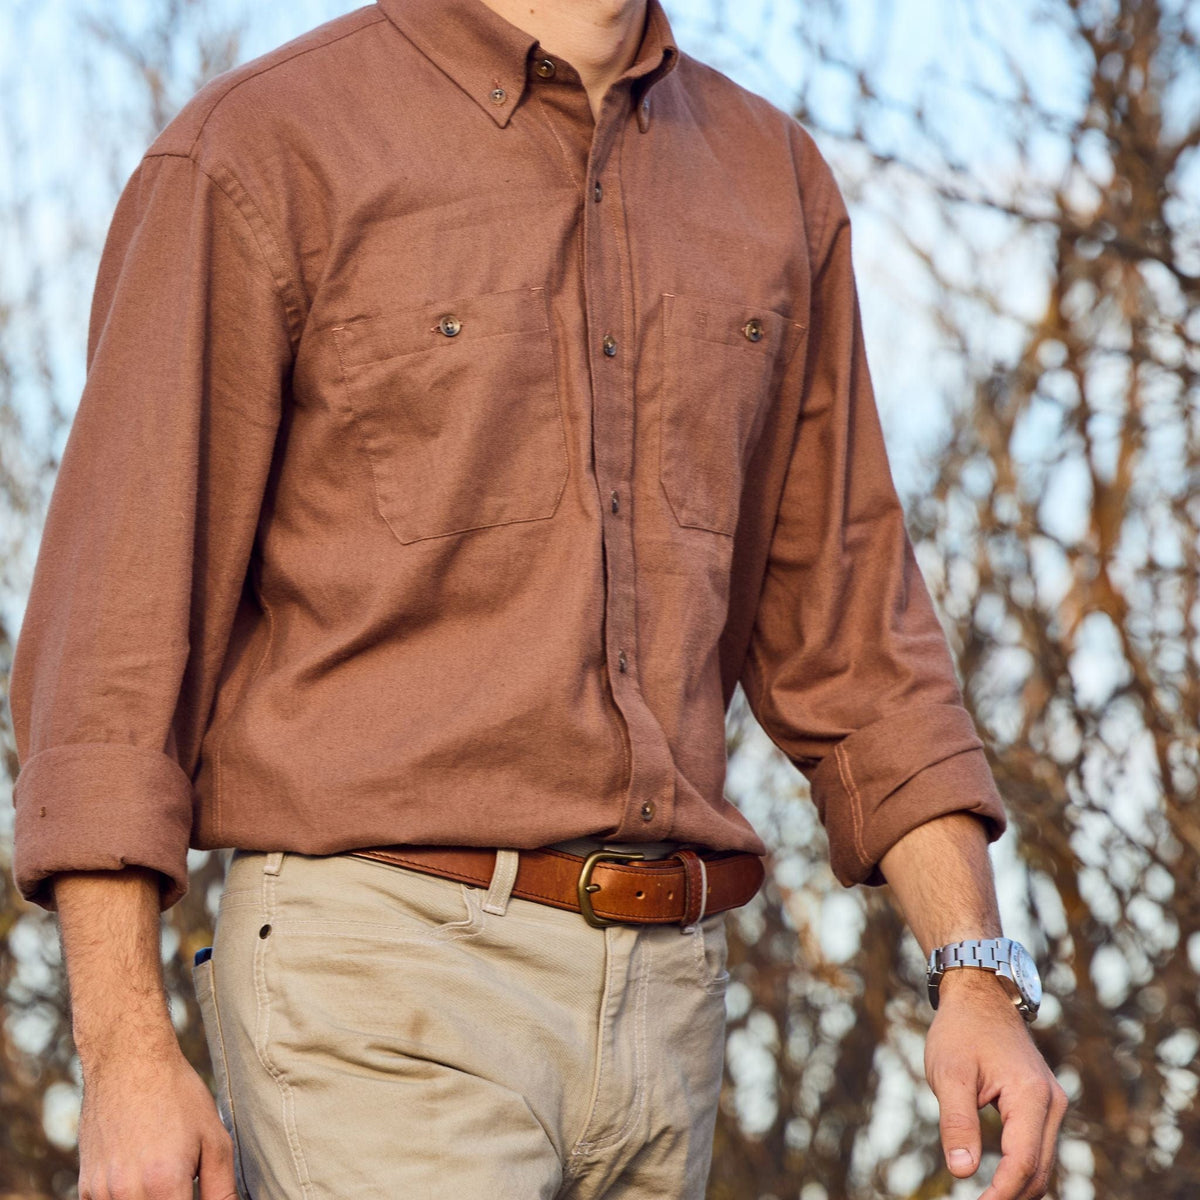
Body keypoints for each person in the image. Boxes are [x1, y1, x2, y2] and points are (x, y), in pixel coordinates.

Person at [6, 0, 1068, 1196]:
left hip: (674, 1004)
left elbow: (858, 639)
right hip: (379, 981)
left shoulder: (773, 178)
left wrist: (975, 978)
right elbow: (113, 648)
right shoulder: (263, 146)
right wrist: (125, 1052)